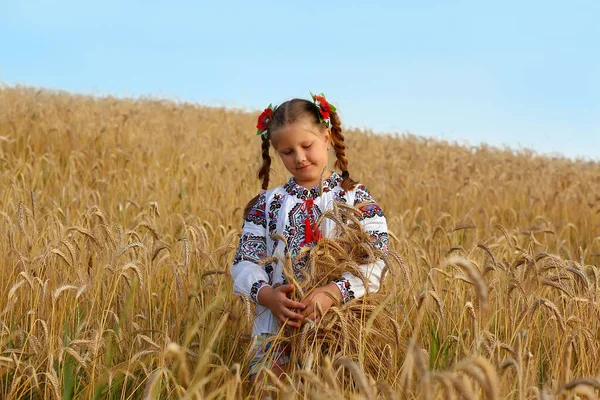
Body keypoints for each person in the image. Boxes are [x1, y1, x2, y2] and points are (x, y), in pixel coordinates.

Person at [230, 92, 389, 383]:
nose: (299, 157)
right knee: (271, 389)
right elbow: (244, 262)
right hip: (275, 325)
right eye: (288, 152)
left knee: (333, 387)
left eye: (307, 145)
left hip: (343, 324)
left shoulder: (355, 198)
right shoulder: (266, 204)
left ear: (327, 138)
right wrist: (269, 297)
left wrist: (334, 292)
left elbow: (377, 258)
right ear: (276, 153)